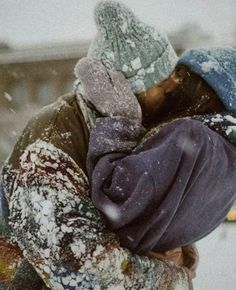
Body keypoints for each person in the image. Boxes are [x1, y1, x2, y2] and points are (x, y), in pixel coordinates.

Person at [0, 1, 235, 290]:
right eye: (163, 84)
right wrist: (171, 278)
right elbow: (76, 266)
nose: (175, 88)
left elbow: (135, 214)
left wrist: (177, 247)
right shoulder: (53, 139)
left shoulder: (128, 126)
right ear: (126, 88)